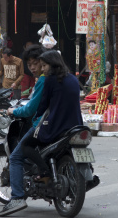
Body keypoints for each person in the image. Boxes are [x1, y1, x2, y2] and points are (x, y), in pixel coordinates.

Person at [19, 51, 83, 187]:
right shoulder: (73, 78)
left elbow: (42, 105)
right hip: (75, 124)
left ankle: (44, 172)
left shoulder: (50, 80)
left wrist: (36, 117)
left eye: (44, 65)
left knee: (26, 145)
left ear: (52, 64)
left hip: (57, 125)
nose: (42, 69)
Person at [0, 45, 45, 217]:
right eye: (30, 64)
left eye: (36, 63)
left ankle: (17, 197)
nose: (32, 67)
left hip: (43, 125)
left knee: (17, 156)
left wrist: (13, 111)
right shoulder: (66, 79)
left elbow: (30, 110)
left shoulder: (43, 80)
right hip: (64, 124)